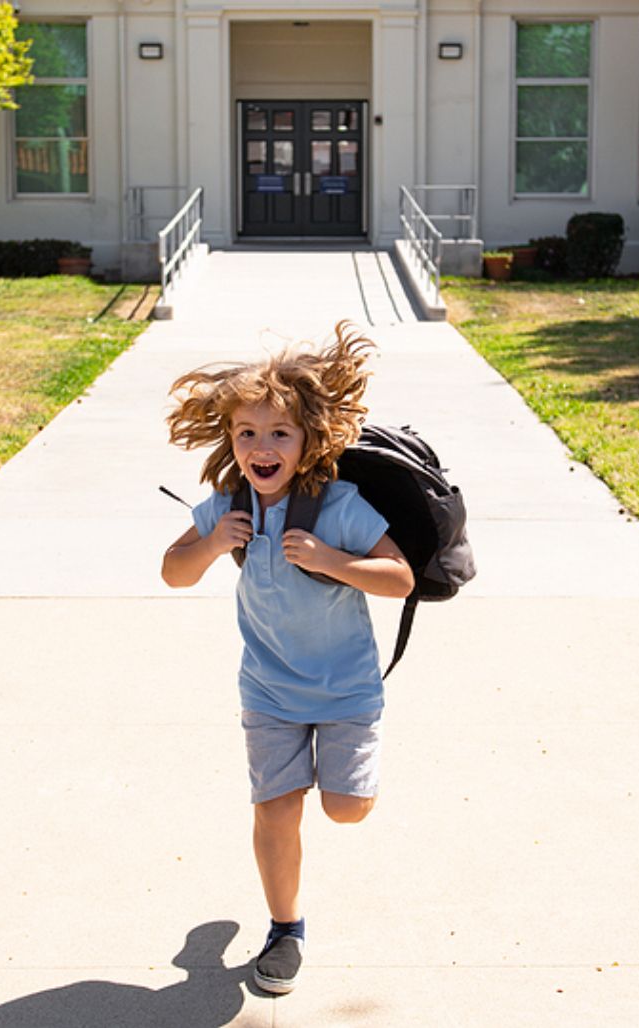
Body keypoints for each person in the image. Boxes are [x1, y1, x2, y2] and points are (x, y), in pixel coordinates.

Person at [160, 322, 414, 995]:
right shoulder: (227, 507)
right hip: (269, 690)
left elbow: (400, 578)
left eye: (279, 433)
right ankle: (285, 930)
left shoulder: (337, 505)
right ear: (231, 441)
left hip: (345, 690)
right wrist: (213, 545)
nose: (262, 447)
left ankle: (340, 776)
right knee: (275, 809)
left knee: (346, 809)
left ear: (308, 441)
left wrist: (331, 559)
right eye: (247, 433)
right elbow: (172, 572)